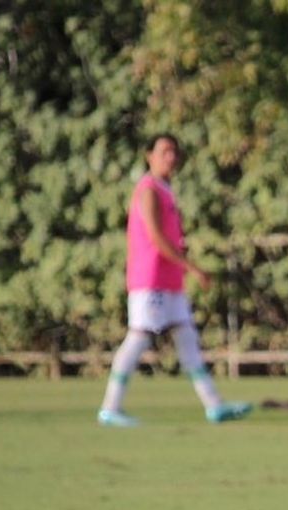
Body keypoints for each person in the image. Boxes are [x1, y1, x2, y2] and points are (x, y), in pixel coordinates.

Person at [97, 134, 251, 426]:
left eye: (174, 152)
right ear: (149, 156)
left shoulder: (166, 189)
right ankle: (110, 408)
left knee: (187, 338)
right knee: (139, 337)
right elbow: (156, 238)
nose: (171, 157)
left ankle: (214, 405)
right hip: (150, 279)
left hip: (169, 280)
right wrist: (192, 267)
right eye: (164, 151)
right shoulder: (149, 190)